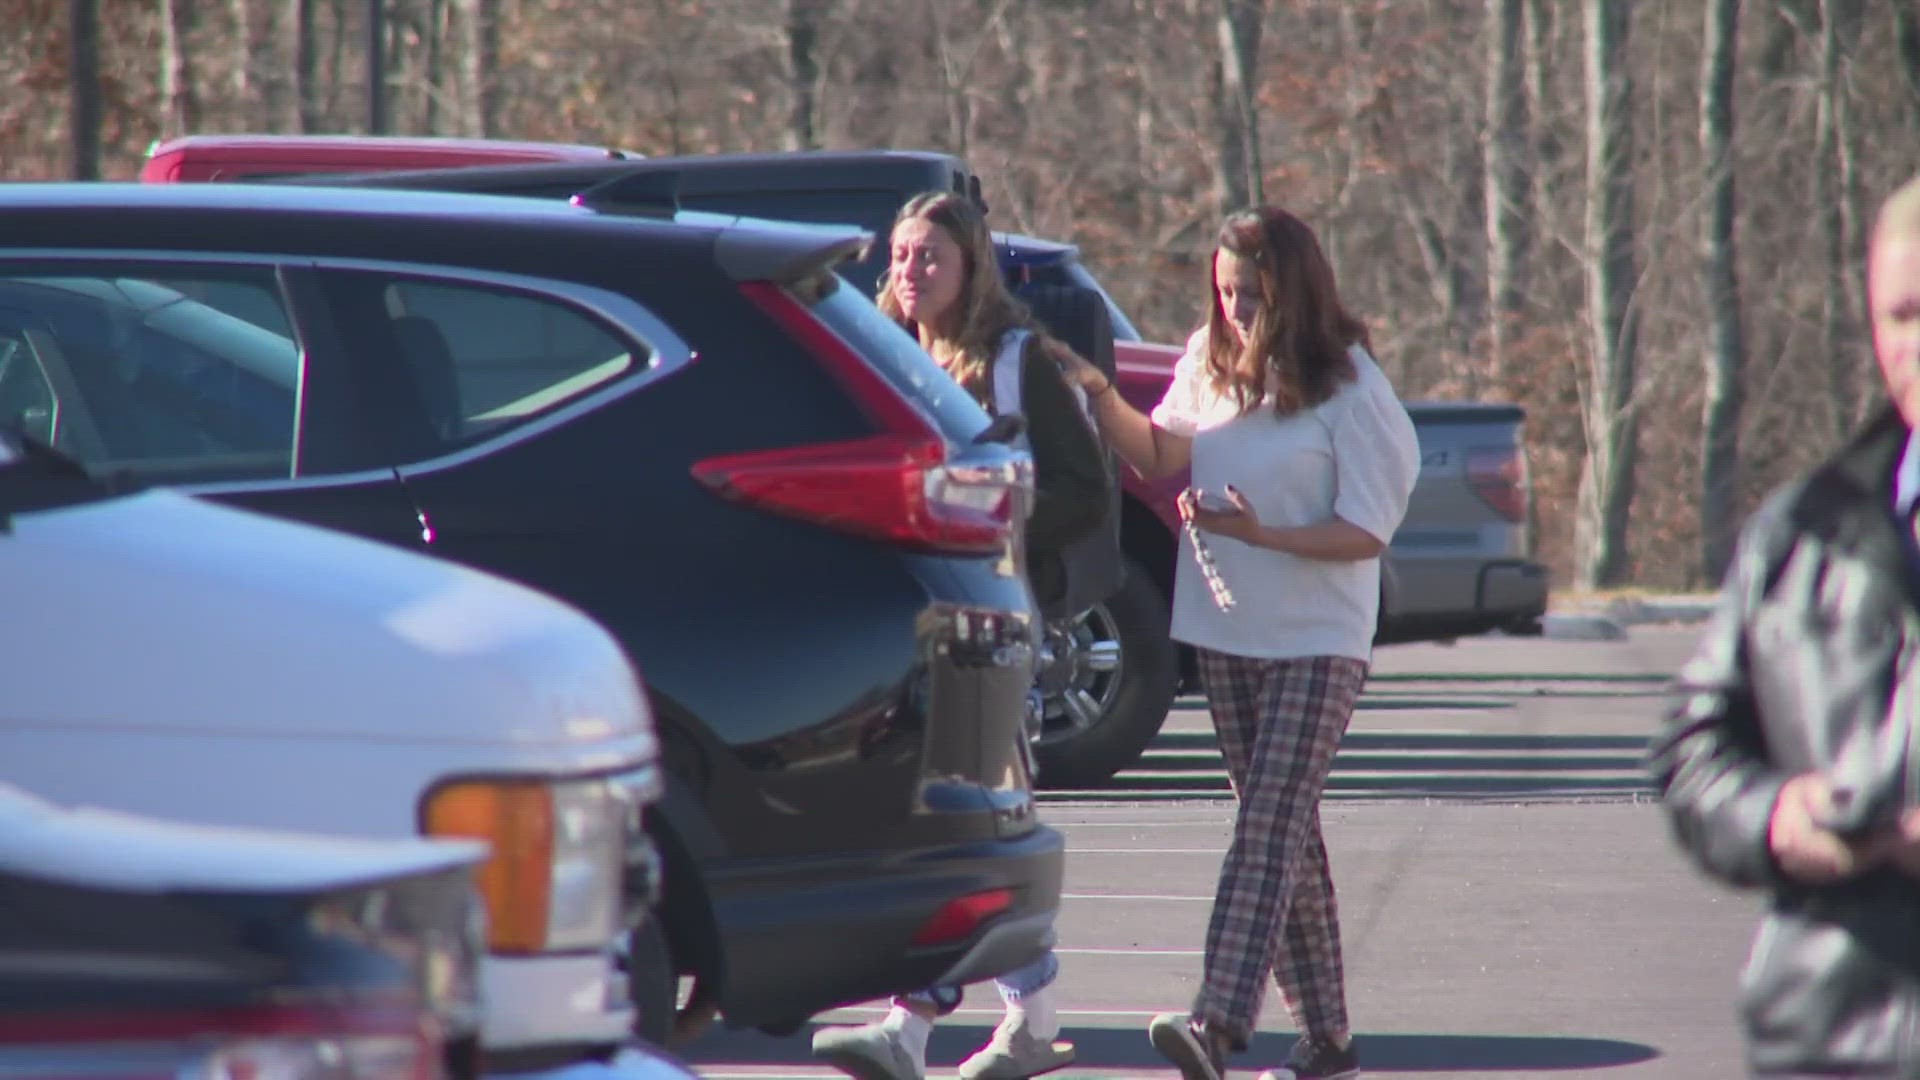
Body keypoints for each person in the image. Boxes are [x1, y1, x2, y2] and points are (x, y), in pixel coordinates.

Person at [1062, 206, 1418, 1080]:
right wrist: (1096, 391)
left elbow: (1365, 533)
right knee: (1285, 837)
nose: (1235, 312)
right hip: (1225, 630)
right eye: (1224, 294)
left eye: (1252, 296)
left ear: (1296, 293)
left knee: (1266, 825)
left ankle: (1217, 1024)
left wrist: (1264, 536)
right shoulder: (1210, 364)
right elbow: (1155, 453)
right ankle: (1329, 1041)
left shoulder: (1351, 389)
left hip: (1318, 638)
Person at [810, 190, 1112, 1080]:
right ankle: (1027, 1024)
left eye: (928, 256)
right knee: (959, 812)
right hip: (908, 619)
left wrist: (988, 520)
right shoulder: (889, 358)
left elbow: (1085, 491)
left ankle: (913, 1028)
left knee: (967, 809)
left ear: (970, 268)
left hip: (991, 619)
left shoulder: (1017, 361)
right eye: (899, 256)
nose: (908, 271)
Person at [1646, 176, 1920, 1078]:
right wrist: (1783, 818)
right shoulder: (1806, 530)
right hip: (1830, 1034)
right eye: (1902, 315)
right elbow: (1694, 751)